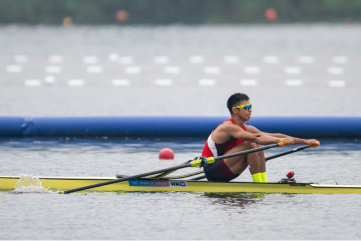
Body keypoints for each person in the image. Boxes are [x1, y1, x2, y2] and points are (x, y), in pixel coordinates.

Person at [201, 93, 320, 183]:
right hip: (213, 171)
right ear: (235, 110)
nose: (251, 110)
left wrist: (306, 141)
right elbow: (256, 138)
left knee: (256, 145)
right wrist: (279, 141)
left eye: (251, 106)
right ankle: (259, 185)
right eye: (247, 107)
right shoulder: (228, 127)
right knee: (251, 144)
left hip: (227, 168)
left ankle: (263, 182)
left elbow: (276, 136)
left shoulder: (246, 128)